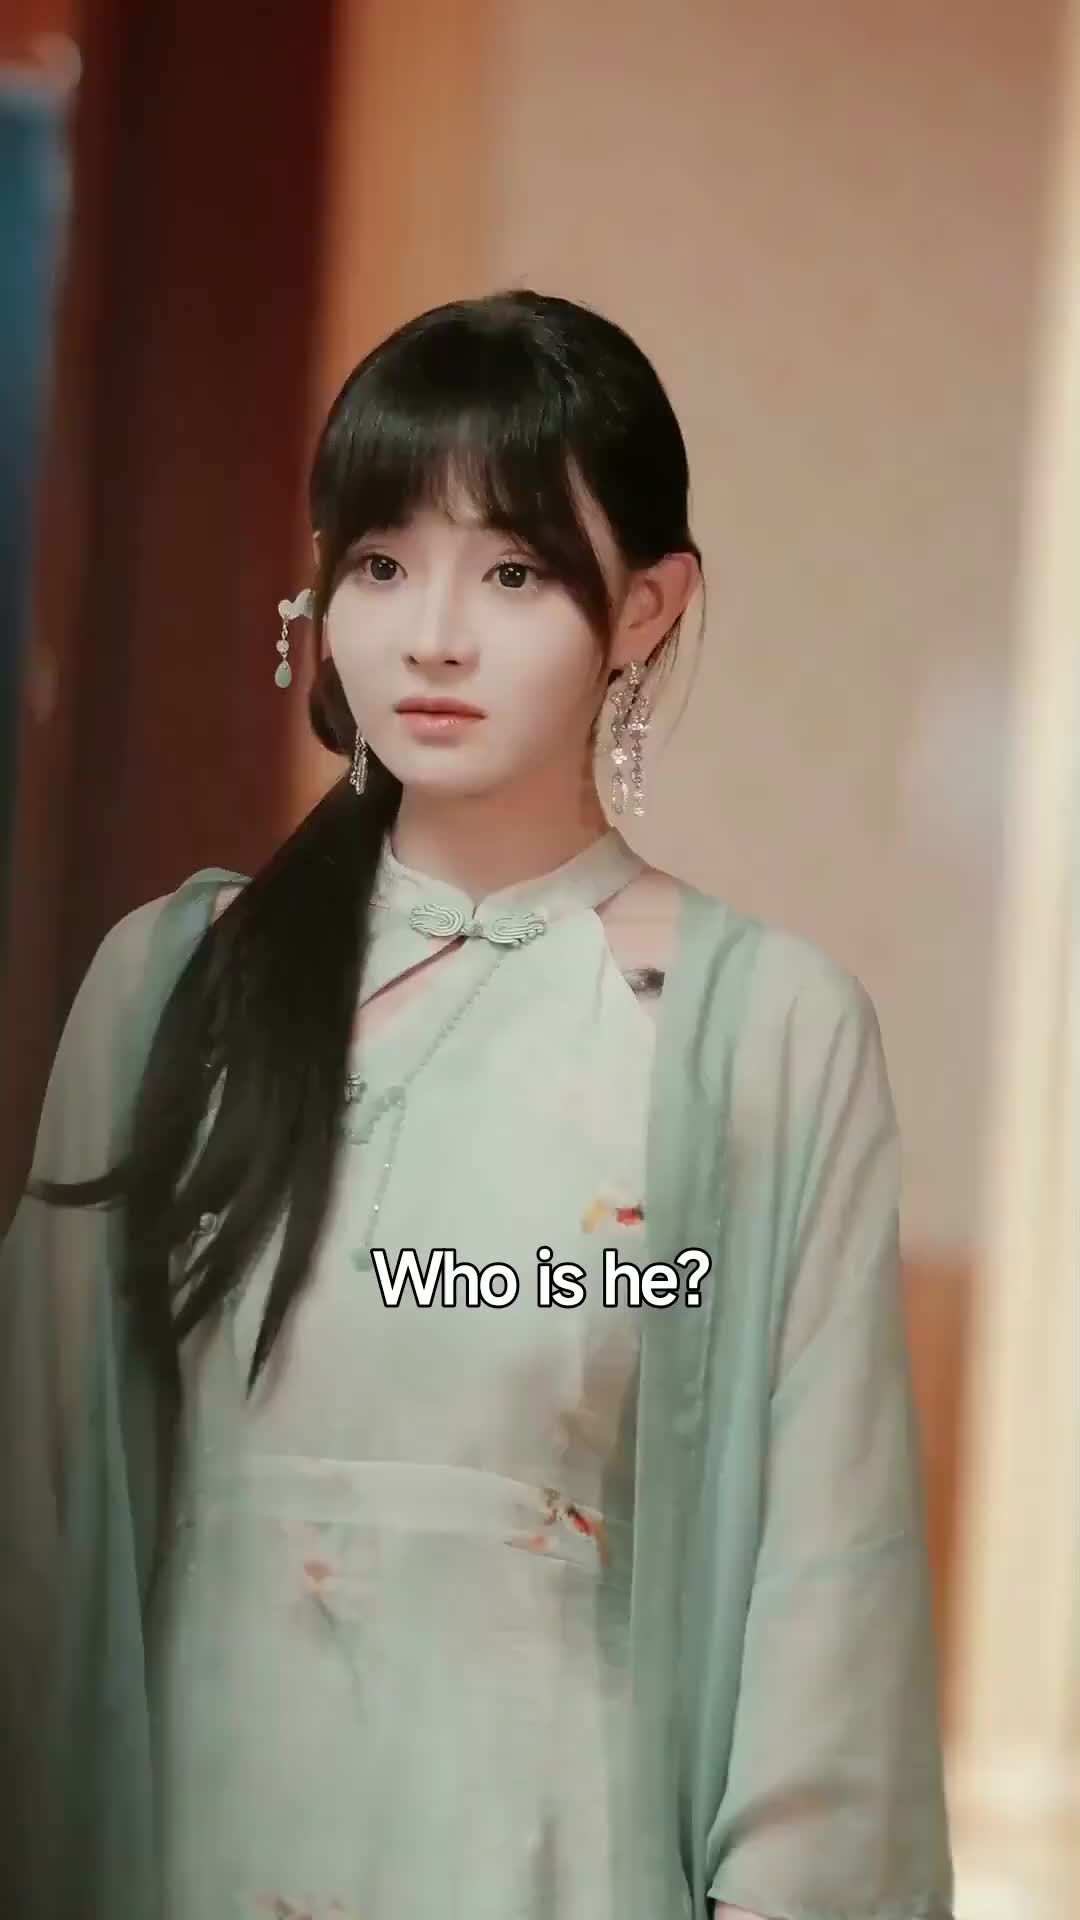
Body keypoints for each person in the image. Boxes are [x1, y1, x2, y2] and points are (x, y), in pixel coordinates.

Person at [0, 290, 954, 1920]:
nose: (433, 635)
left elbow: (829, 1574)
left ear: (645, 607)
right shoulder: (169, 987)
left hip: (550, 1854)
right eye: (382, 564)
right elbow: (33, 1506)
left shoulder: (764, 1030)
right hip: (191, 1851)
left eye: (512, 573)